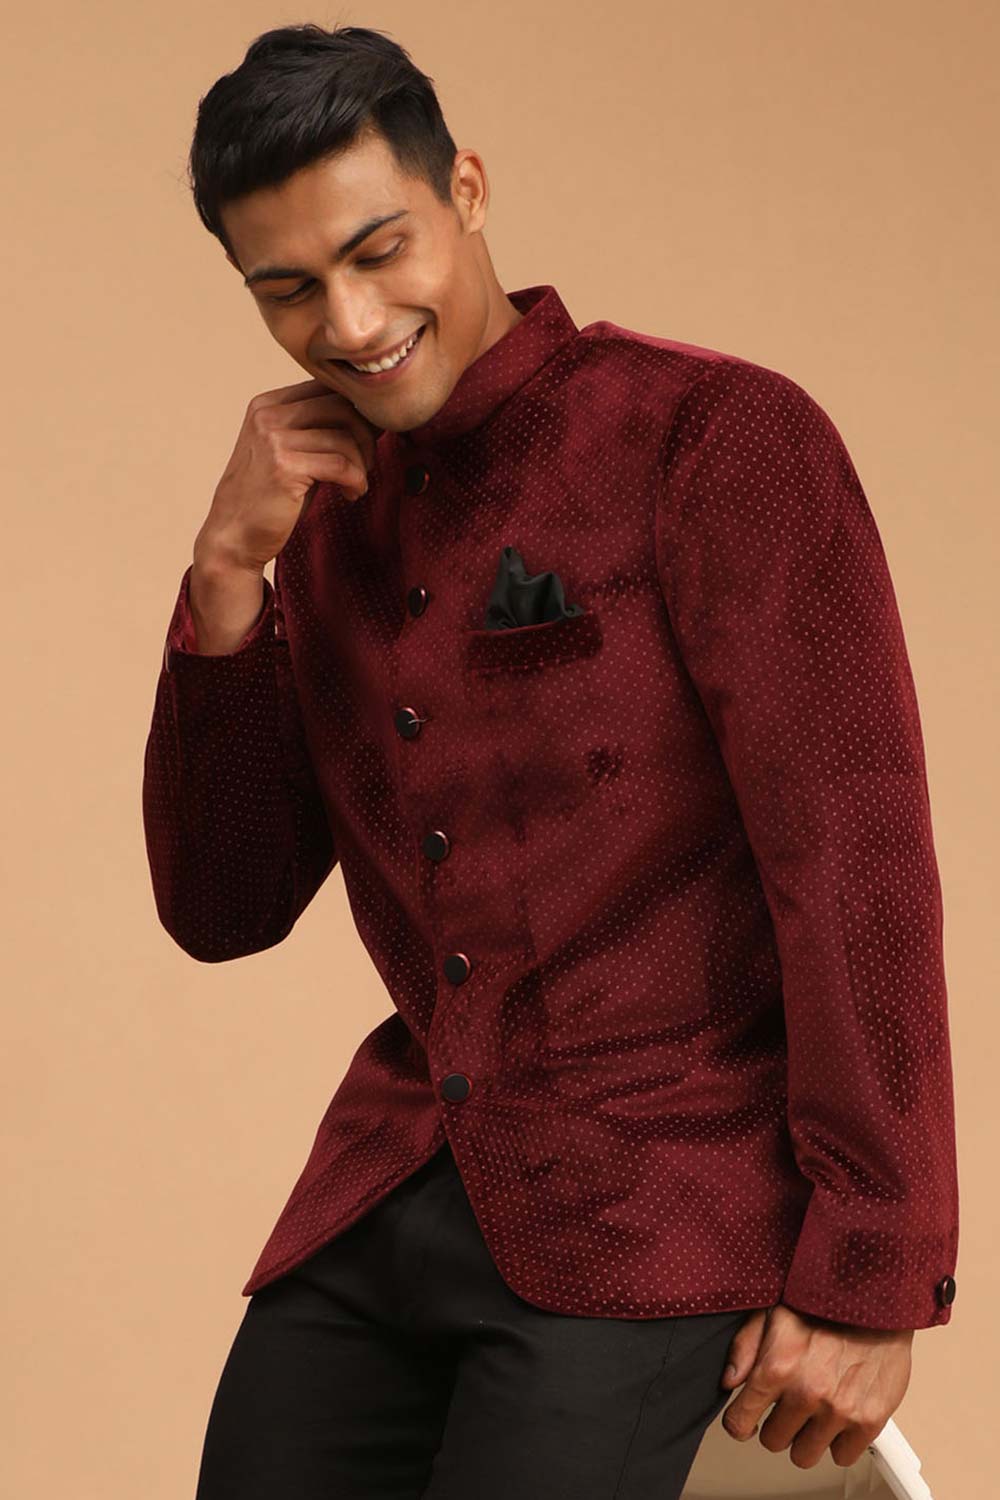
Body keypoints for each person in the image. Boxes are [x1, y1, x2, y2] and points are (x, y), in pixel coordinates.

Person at [141, 22, 960, 1500]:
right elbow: (223, 907)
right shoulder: (315, 520)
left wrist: (873, 1272)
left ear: (466, 187)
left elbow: (857, 863)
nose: (350, 321)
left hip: (659, 1199)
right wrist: (223, 582)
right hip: (394, 1183)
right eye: (289, 290)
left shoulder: (713, 439)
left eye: (379, 249)